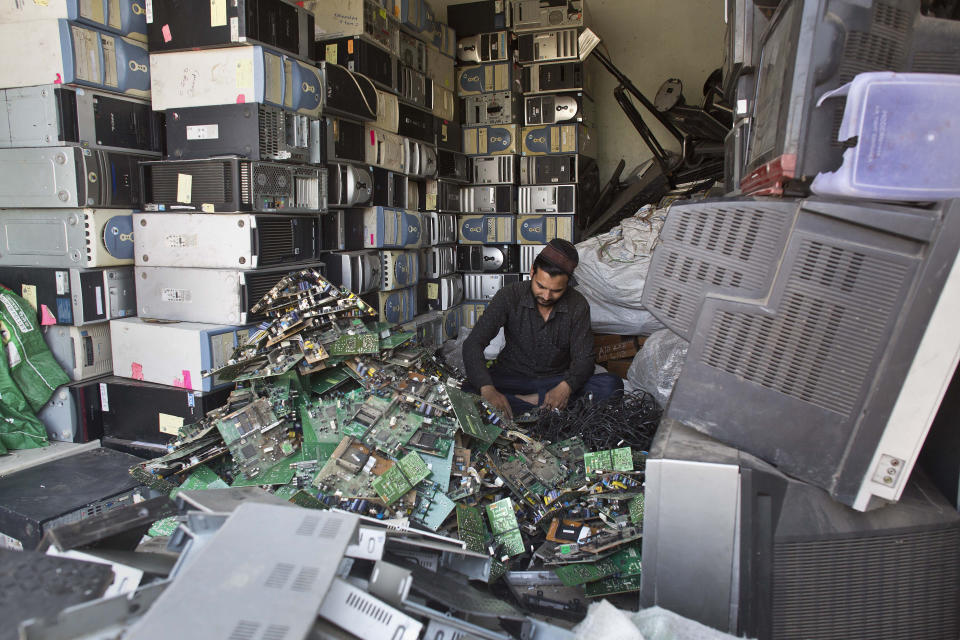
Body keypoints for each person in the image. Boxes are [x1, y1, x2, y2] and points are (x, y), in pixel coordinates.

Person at [462, 239, 623, 417]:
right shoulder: (510, 295)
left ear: (568, 283)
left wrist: (565, 387)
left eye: (556, 291)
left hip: (555, 381)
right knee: (468, 389)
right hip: (510, 378)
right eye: (541, 286)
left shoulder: (578, 305)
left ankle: (519, 404)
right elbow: (473, 344)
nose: (546, 296)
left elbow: (584, 358)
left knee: (611, 386)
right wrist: (488, 390)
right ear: (532, 271)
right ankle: (540, 405)